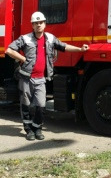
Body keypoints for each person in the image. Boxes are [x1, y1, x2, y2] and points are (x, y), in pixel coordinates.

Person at [5, 11, 89, 141]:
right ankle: (28, 130)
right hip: (26, 78)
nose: (38, 25)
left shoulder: (50, 38)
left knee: (41, 105)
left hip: (40, 79)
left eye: (41, 22)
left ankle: (37, 128)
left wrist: (80, 50)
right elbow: (9, 50)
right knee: (25, 104)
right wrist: (22, 58)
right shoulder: (25, 38)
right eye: (36, 23)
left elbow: (64, 46)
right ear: (32, 25)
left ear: (44, 24)